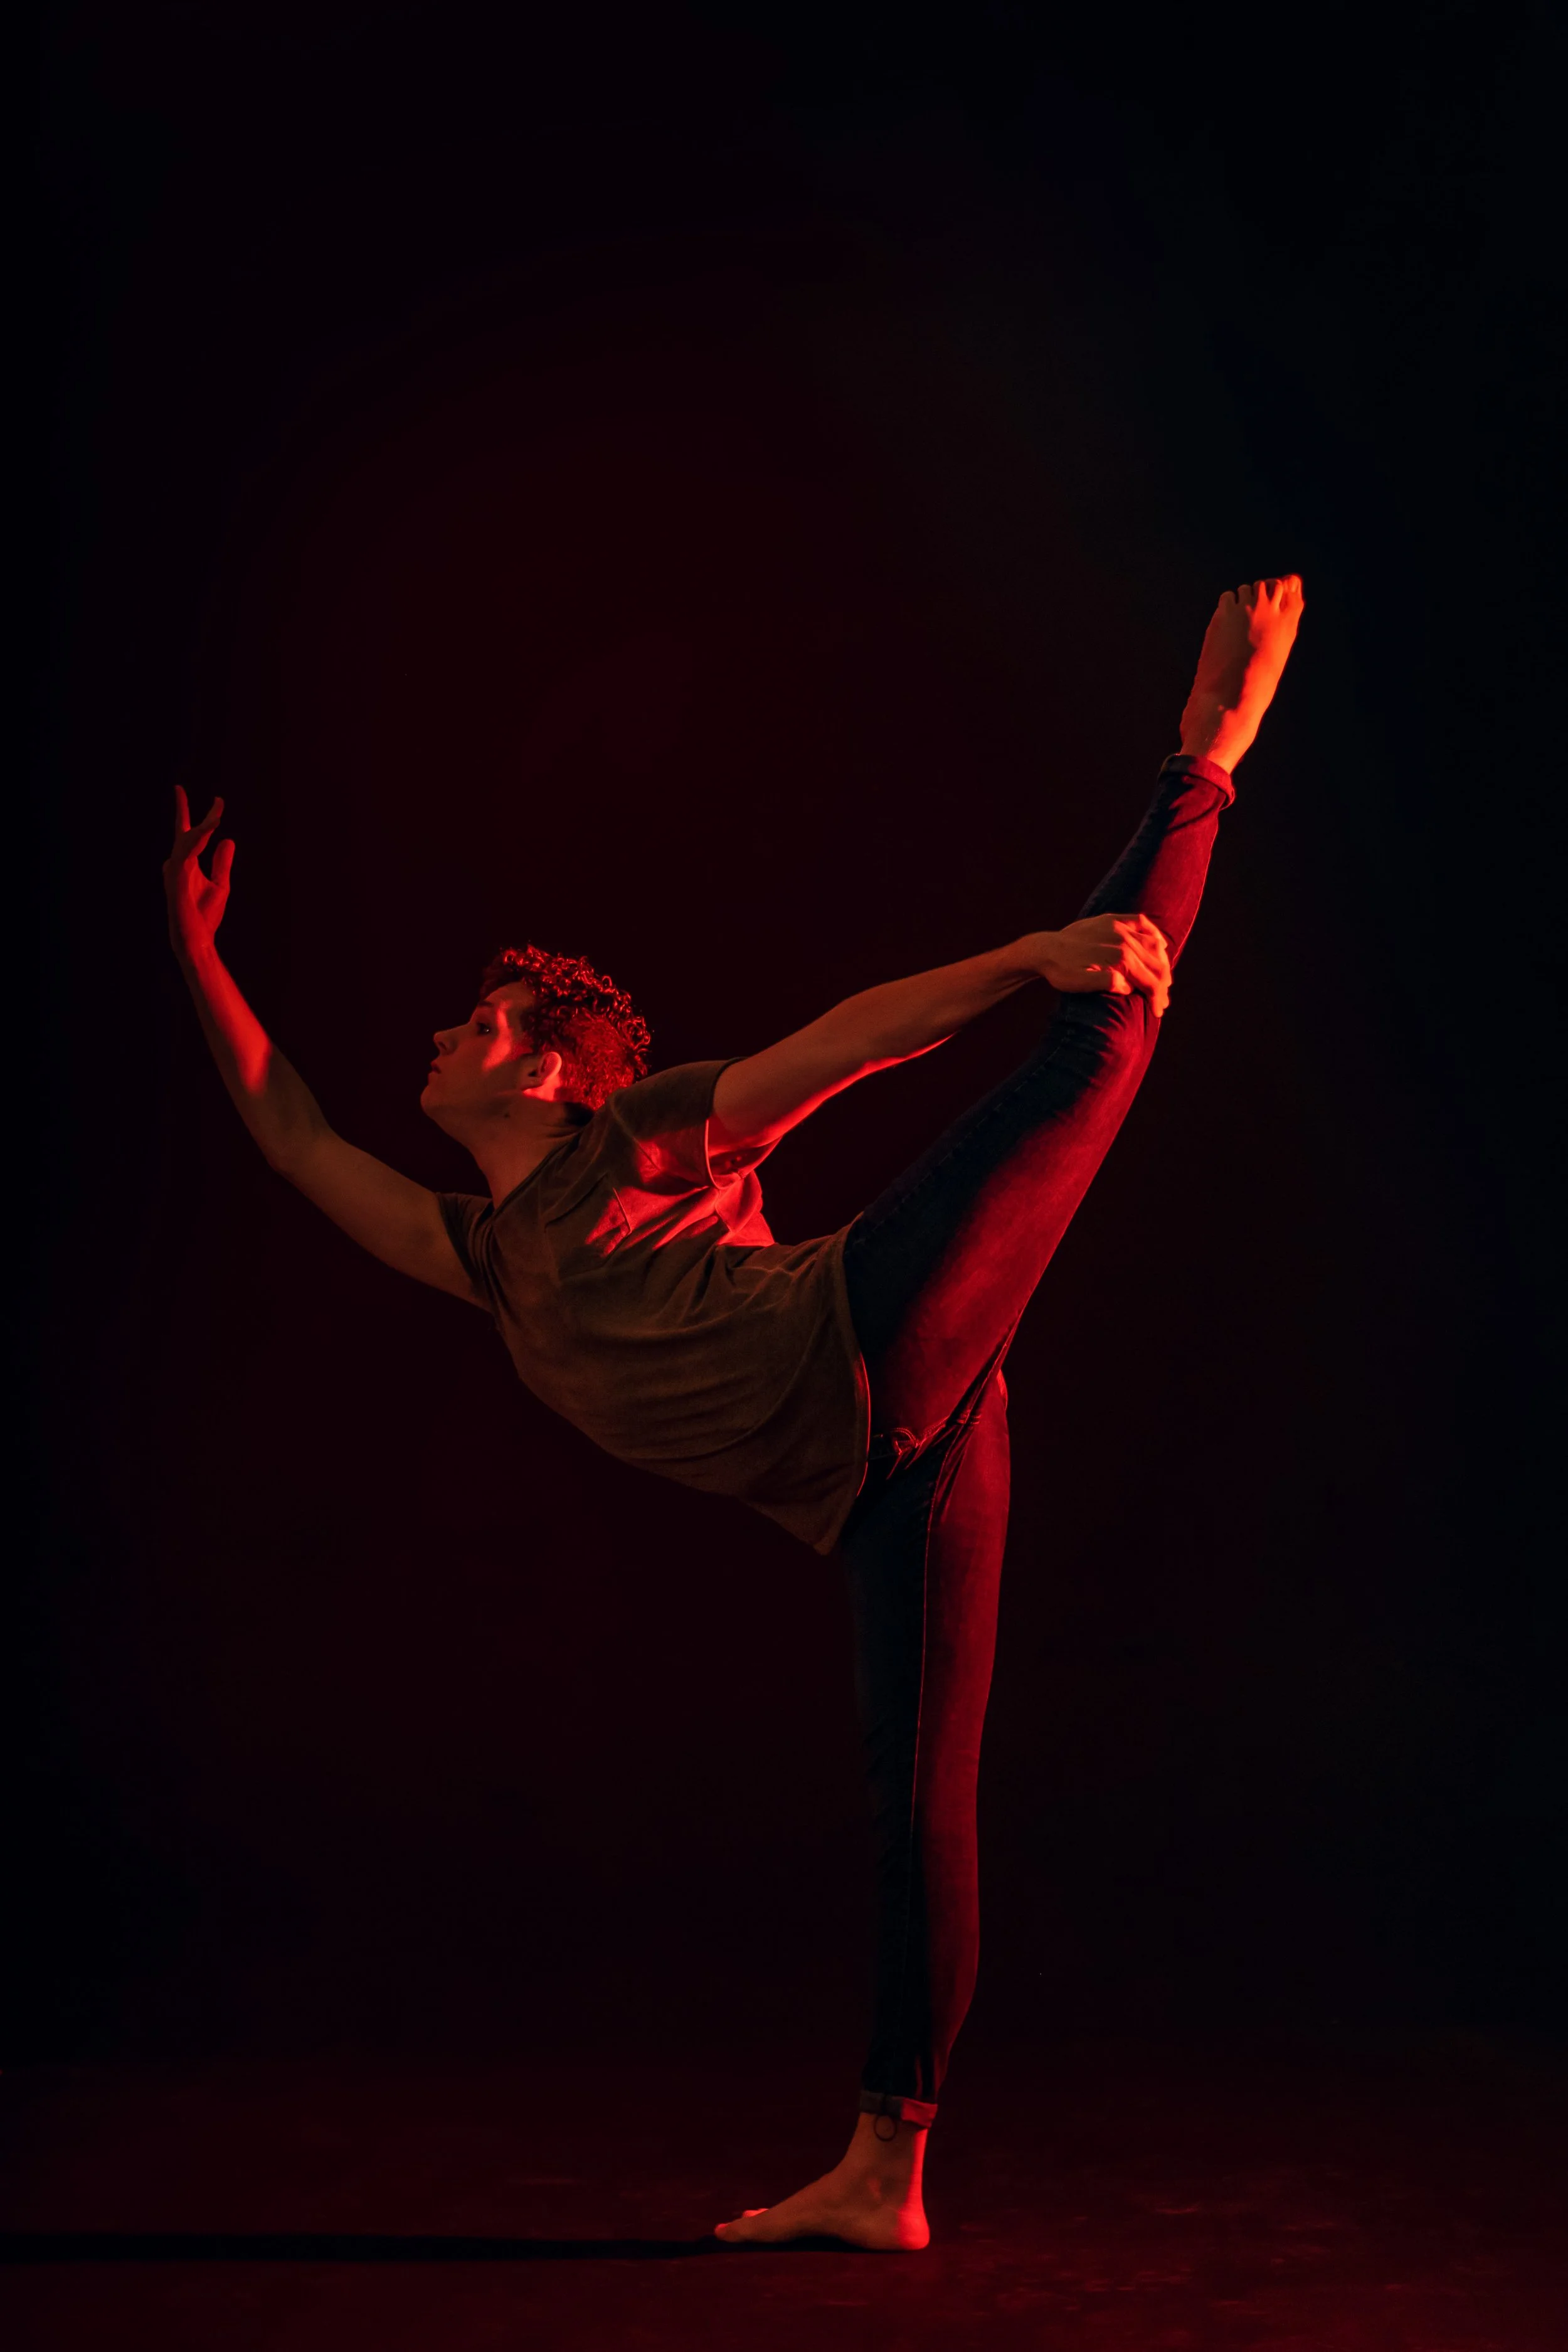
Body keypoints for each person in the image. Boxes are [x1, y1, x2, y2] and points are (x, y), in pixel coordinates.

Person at [165, 575, 1304, 2250]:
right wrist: (196, 953)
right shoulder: (482, 1252)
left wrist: (1026, 954)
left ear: (550, 1068)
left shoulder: (638, 1139)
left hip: (865, 1323)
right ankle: (884, 2172)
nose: (433, 1034)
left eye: (470, 1021)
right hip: (885, 1474)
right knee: (910, 1800)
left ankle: (1204, 754)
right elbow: (290, 1135)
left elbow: (838, 1045)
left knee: (1086, 1044)